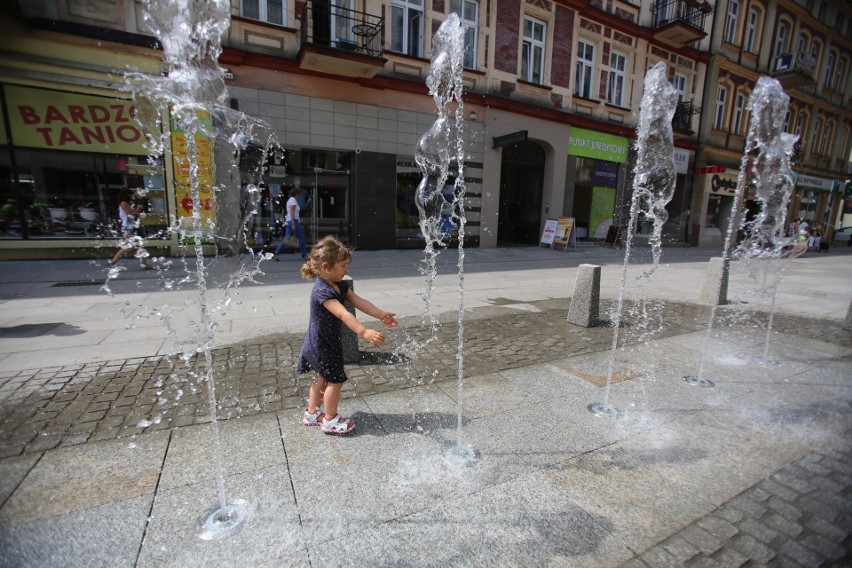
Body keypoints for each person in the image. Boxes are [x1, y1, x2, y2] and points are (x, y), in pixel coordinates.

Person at [298, 236, 398, 435]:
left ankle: (311, 414)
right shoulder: (322, 291)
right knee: (334, 380)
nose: (346, 270)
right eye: (343, 266)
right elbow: (343, 313)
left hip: (321, 342)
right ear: (327, 267)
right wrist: (364, 331)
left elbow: (357, 301)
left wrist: (379, 314)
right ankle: (329, 419)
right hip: (323, 345)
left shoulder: (338, 284)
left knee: (321, 378)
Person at [109, 188, 151, 269]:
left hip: (131, 226)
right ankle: (113, 262)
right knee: (129, 247)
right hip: (127, 228)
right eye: (131, 194)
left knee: (139, 246)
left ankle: (144, 264)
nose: (132, 196)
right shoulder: (123, 203)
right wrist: (138, 209)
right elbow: (130, 215)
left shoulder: (127, 203)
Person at [273, 187, 307, 260]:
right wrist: (294, 224)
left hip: (290, 221)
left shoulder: (290, 200)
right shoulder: (293, 201)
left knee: (286, 238)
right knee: (302, 237)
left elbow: (293, 213)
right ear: (296, 194)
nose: (299, 196)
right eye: (298, 194)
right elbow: (292, 212)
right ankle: (304, 254)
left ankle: (276, 252)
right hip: (293, 221)